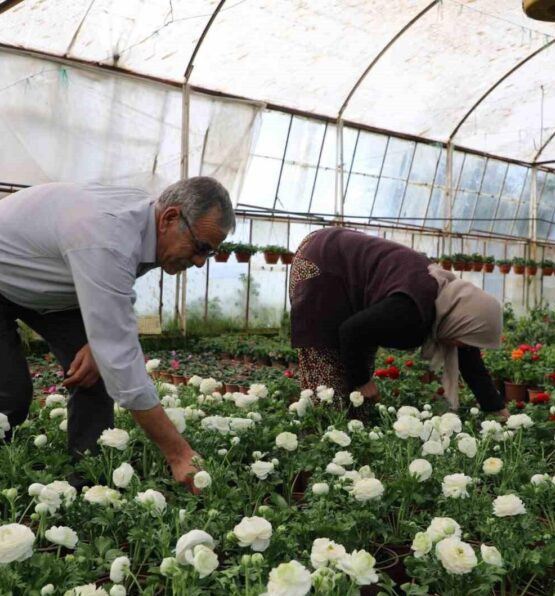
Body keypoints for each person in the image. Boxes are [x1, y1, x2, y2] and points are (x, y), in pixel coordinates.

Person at [0, 177, 235, 492]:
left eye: (210, 254)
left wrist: (99, 347)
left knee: (93, 374)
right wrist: (178, 454)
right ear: (170, 218)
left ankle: (89, 487)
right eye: (201, 248)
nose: (199, 262)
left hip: (52, 284)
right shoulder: (108, 234)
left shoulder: (148, 223)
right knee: (11, 394)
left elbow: (118, 284)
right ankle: (6, 481)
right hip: (8, 270)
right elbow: (122, 361)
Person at [289, 227, 509, 417]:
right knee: (328, 380)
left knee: (357, 383)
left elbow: (471, 365)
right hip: (322, 264)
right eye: (467, 341)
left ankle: (350, 443)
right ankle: (319, 445)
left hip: (339, 266)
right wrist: (362, 381)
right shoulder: (411, 306)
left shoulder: (449, 309)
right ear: (463, 323)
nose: (466, 347)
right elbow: (352, 331)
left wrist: (496, 408)